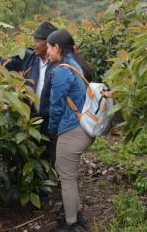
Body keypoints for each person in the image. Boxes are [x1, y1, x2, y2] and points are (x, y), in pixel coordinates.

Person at [0, 21, 59, 165]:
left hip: (52, 119)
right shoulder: (28, 57)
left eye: (38, 41)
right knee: (34, 153)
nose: (34, 44)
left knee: (53, 153)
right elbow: (1, 62)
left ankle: (55, 179)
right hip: (30, 118)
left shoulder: (60, 62)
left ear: (50, 43)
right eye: (34, 40)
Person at [46, 29, 94, 231]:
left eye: (49, 48)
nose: (47, 52)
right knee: (70, 176)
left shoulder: (61, 70)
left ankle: (71, 223)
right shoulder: (77, 64)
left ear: (57, 47)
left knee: (66, 178)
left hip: (72, 130)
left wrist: (51, 129)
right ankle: (77, 214)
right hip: (85, 128)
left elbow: (56, 106)